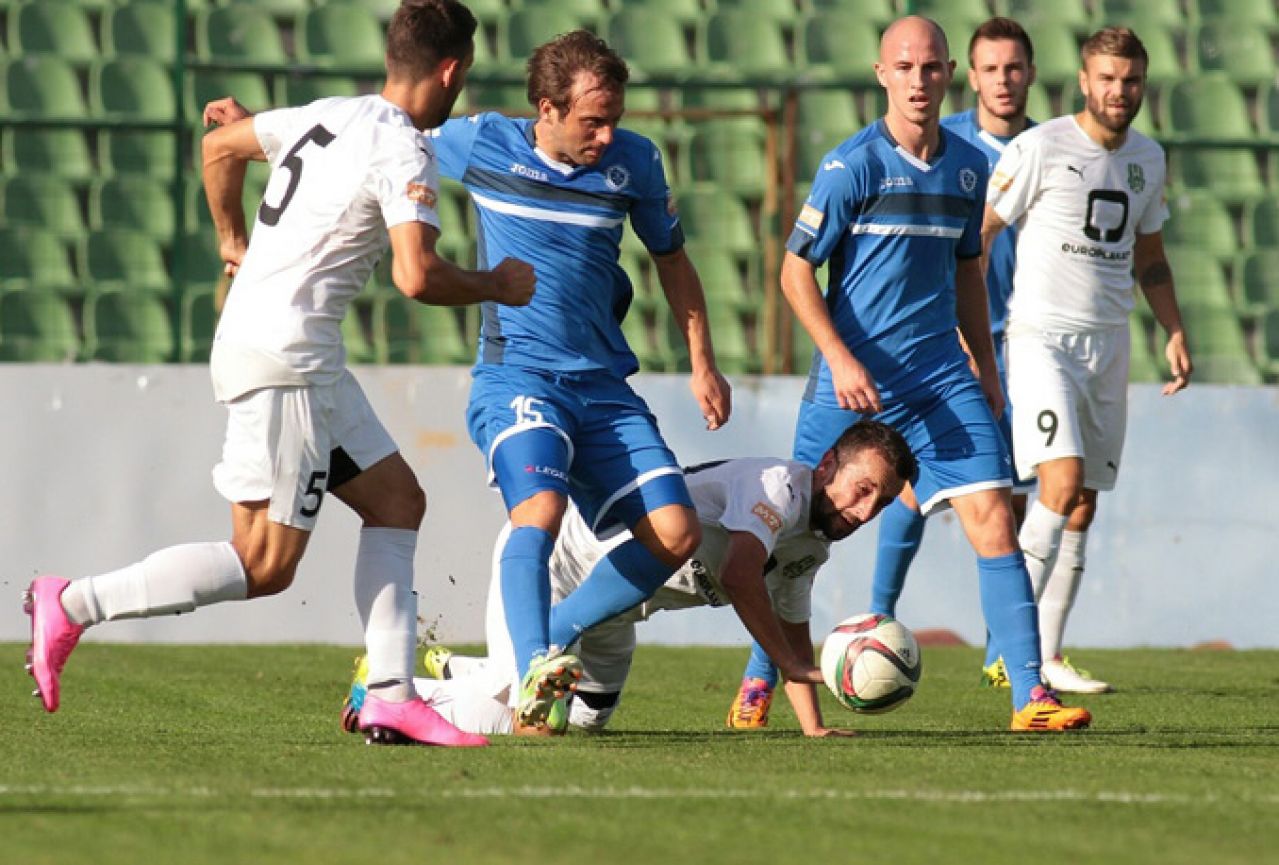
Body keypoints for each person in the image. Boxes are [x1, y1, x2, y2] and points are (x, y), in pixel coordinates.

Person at [22, 0, 535, 748]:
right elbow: (416, 276)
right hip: (286, 359)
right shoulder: (405, 150)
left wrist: (233, 239)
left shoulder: (326, 114)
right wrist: (494, 285)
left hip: (292, 354)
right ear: (452, 69)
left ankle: (391, 692)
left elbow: (220, 148)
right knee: (264, 562)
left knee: (396, 500)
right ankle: (73, 601)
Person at [737, 15, 1091, 733]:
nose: (918, 81)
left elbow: (968, 273)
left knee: (993, 516)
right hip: (853, 383)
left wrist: (983, 370)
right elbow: (793, 270)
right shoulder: (851, 165)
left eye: (930, 68)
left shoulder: (967, 167)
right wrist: (838, 358)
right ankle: (756, 679)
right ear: (880, 75)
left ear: (948, 72)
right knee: (794, 540)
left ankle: (1031, 697)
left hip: (939, 378)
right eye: (903, 68)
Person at [425, 30, 732, 728]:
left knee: (675, 532)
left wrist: (702, 361)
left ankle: (550, 639)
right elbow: (374, 129)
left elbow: (673, 263)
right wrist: (257, 132)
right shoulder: (483, 144)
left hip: (603, 389)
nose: (606, 135)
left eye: (614, 119)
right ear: (546, 109)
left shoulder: (635, 163)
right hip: (519, 377)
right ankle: (536, 668)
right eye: (592, 121)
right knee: (538, 512)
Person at [340, 420, 915, 736]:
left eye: (882, 502)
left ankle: (474, 668)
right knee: (528, 719)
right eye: (862, 489)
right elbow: (741, 575)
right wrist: (791, 664)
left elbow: (792, 630)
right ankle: (390, 687)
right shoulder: (780, 489)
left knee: (586, 720)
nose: (865, 511)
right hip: (562, 570)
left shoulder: (811, 546)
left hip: (621, 606)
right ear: (827, 468)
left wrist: (813, 727)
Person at [981, 26, 1192, 694]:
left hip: (1108, 343)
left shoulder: (1149, 159)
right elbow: (980, 233)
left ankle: (1043, 655)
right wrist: (962, 317)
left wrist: (1174, 329)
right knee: (1060, 479)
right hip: (1040, 336)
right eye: (1105, 78)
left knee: (1081, 505)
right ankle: (1007, 646)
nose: (1117, 91)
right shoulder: (1039, 147)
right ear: (1082, 80)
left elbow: (1149, 257)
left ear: (1141, 84)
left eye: (1128, 80)